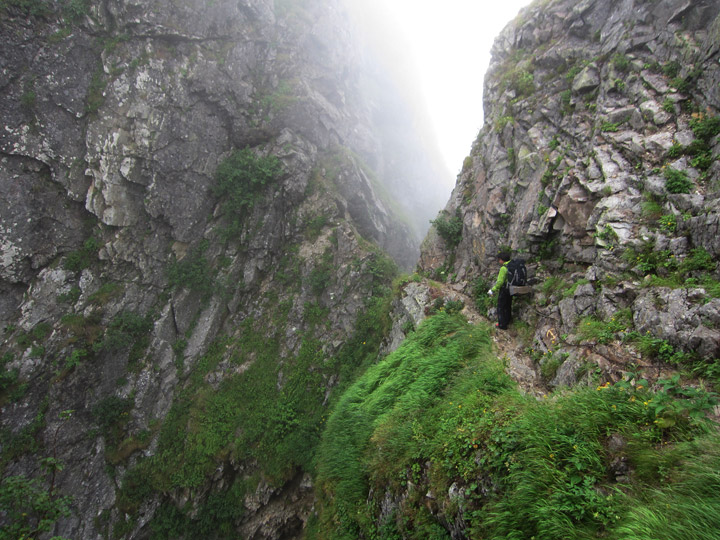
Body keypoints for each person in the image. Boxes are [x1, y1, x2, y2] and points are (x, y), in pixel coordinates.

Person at [487, 251, 512, 329]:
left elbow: (500, 282)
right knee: (508, 305)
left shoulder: (504, 268)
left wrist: (493, 290)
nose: (498, 261)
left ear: (501, 259)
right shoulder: (512, 265)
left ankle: (502, 325)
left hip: (505, 289)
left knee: (501, 307)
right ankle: (508, 321)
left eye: (499, 259)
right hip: (512, 289)